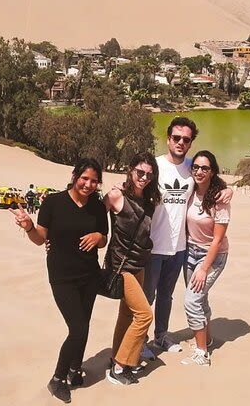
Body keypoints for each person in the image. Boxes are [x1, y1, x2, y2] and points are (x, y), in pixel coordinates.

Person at [10, 158, 108, 404]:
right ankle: (58, 378)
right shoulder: (53, 202)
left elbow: (105, 238)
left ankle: (75, 370)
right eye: (84, 178)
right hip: (62, 277)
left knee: (83, 324)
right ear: (75, 176)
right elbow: (40, 238)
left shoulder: (96, 206)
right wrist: (29, 226)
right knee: (78, 328)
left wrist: (98, 236)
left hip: (90, 275)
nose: (88, 184)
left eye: (94, 181)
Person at [141, 117, 232, 359]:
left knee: (166, 296)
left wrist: (228, 190)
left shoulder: (194, 167)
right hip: (154, 246)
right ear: (167, 138)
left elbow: (215, 181)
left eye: (186, 139)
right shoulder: (155, 166)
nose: (180, 142)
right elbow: (136, 184)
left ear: (191, 143)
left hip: (181, 247)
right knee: (146, 298)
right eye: (176, 138)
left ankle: (161, 335)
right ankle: (139, 341)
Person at [103, 153, 161, 386]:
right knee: (145, 315)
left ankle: (116, 356)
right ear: (130, 170)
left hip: (140, 264)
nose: (144, 178)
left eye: (149, 174)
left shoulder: (149, 200)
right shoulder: (116, 196)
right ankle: (119, 367)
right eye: (140, 172)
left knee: (126, 314)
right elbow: (93, 218)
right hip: (121, 266)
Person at [181, 151, 230, 366]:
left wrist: (204, 268)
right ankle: (207, 339)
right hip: (189, 252)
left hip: (212, 256)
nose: (199, 172)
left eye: (205, 168)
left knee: (192, 301)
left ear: (212, 171)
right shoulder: (190, 190)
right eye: (196, 167)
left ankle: (201, 353)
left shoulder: (219, 199)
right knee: (201, 299)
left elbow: (217, 240)